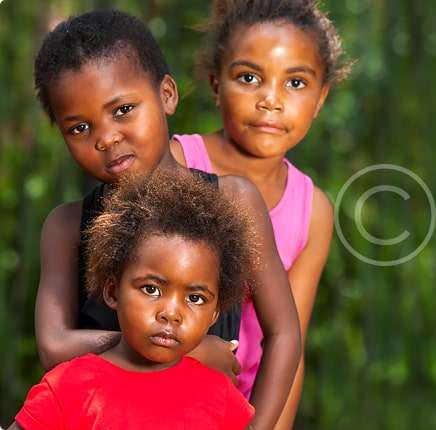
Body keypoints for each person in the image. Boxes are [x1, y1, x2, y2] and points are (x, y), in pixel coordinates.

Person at [32, 9, 300, 428]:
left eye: (123, 109)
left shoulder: (234, 200)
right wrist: (187, 349)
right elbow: (53, 346)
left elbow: (284, 333)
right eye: (80, 128)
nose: (106, 138)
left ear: (167, 95)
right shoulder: (67, 226)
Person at [172, 0, 351, 425]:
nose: (271, 100)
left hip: (246, 411)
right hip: (160, 398)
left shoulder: (312, 210)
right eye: (249, 78)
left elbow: (289, 344)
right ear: (216, 85)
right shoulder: (177, 164)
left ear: (321, 98)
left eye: (295, 83)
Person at [10, 169, 257, 429]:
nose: (171, 313)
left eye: (195, 298)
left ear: (215, 313)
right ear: (112, 291)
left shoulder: (223, 399)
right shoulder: (67, 388)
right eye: (151, 289)